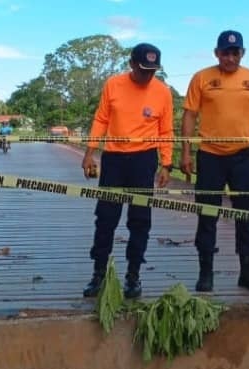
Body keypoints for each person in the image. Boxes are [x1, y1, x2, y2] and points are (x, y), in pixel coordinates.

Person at [180, 30, 249, 293]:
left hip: (244, 157)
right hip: (210, 156)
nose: (230, 57)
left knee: (247, 215)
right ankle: (206, 273)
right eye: (225, 52)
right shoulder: (202, 78)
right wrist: (186, 153)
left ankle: (248, 271)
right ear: (217, 53)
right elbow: (190, 116)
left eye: (235, 52)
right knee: (207, 215)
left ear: (242, 53)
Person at [81, 42, 174, 299]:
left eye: (152, 71)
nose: (147, 75)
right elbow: (101, 119)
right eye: (143, 69)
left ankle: (133, 276)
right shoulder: (113, 84)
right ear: (132, 63)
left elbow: (166, 130)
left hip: (144, 160)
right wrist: (90, 152)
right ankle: (98, 274)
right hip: (113, 159)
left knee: (140, 219)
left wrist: (166, 164)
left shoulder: (162, 92)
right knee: (106, 219)